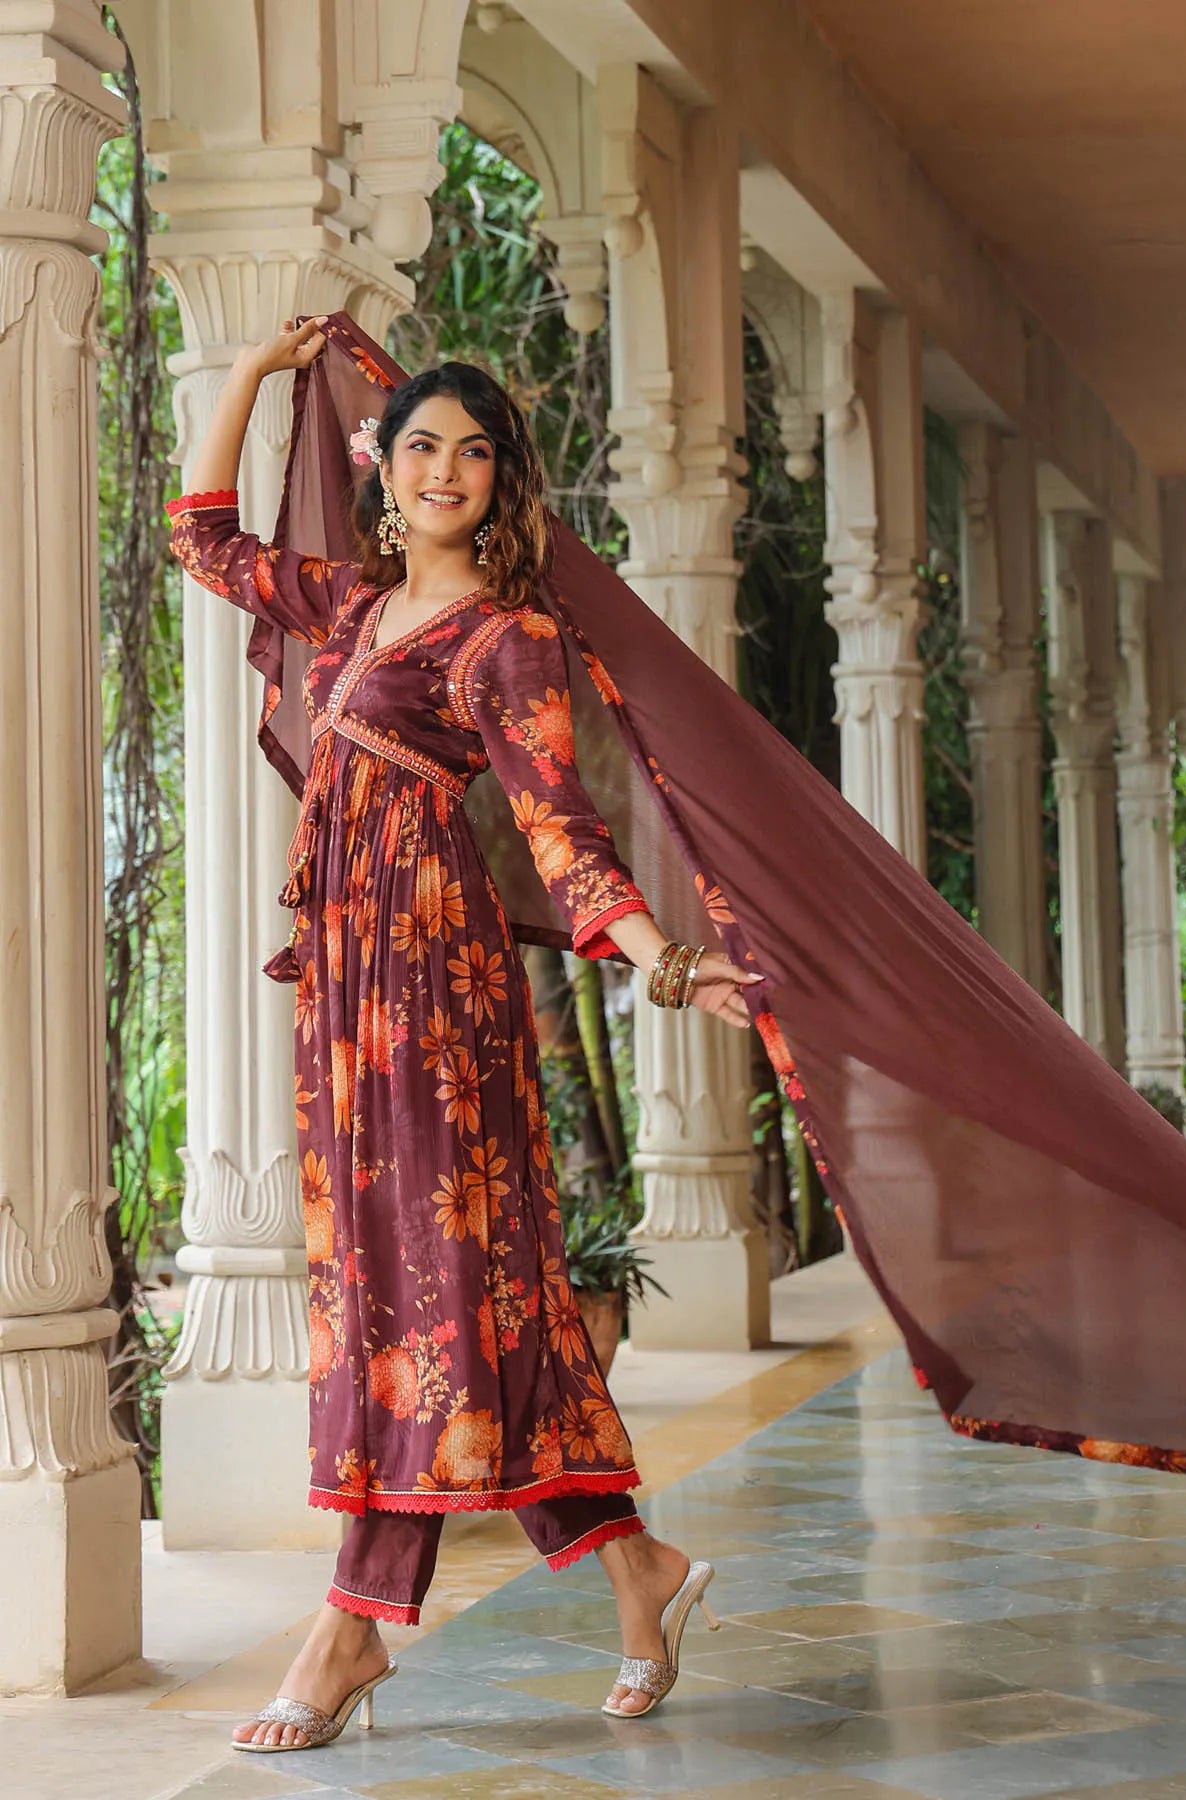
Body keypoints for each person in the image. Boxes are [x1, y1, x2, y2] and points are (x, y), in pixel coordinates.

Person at [167, 318, 751, 1753]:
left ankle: (350, 1630)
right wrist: (248, 373)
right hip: (350, 995)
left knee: (423, 1304)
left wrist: (666, 963)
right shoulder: (352, 610)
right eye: (422, 445)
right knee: (468, 1306)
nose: (446, 471)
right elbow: (201, 535)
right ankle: (642, 1576)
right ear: (382, 469)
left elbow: (562, 837)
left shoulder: (512, 642)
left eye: (474, 453)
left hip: (436, 995)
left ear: (502, 486)